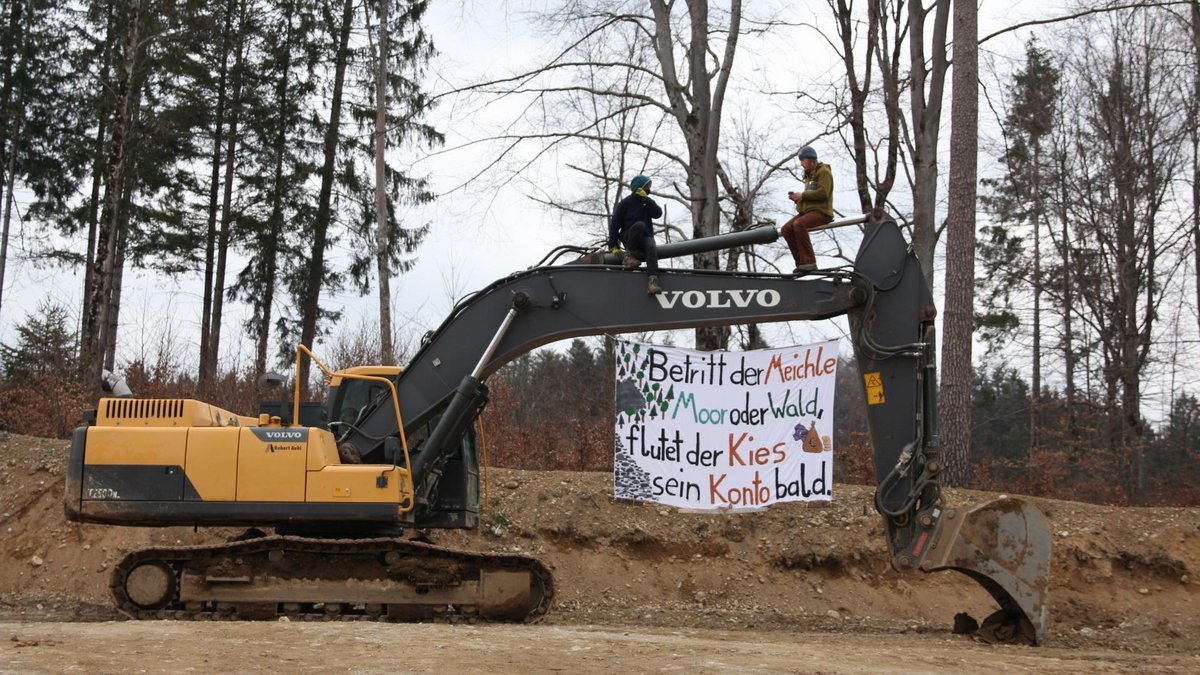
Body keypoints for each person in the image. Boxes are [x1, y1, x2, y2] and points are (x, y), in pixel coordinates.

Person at [781, 145, 834, 273]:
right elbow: (810, 196)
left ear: (811, 160)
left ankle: (809, 262)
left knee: (799, 224)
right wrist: (798, 198)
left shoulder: (824, 172)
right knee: (786, 229)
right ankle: (801, 263)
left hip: (822, 212)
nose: (801, 164)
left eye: (803, 160)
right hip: (809, 211)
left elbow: (823, 192)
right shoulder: (809, 176)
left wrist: (802, 195)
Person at [609, 174, 665, 295]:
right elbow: (614, 224)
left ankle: (653, 281)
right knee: (640, 225)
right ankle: (628, 256)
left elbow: (658, 213)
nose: (649, 189)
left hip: (645, 237)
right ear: (639, 187)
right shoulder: (625, 203)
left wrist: (647, 200)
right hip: (629, 237)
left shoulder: (647, 202)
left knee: (651, 245)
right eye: (647, 186)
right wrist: (613, 246)